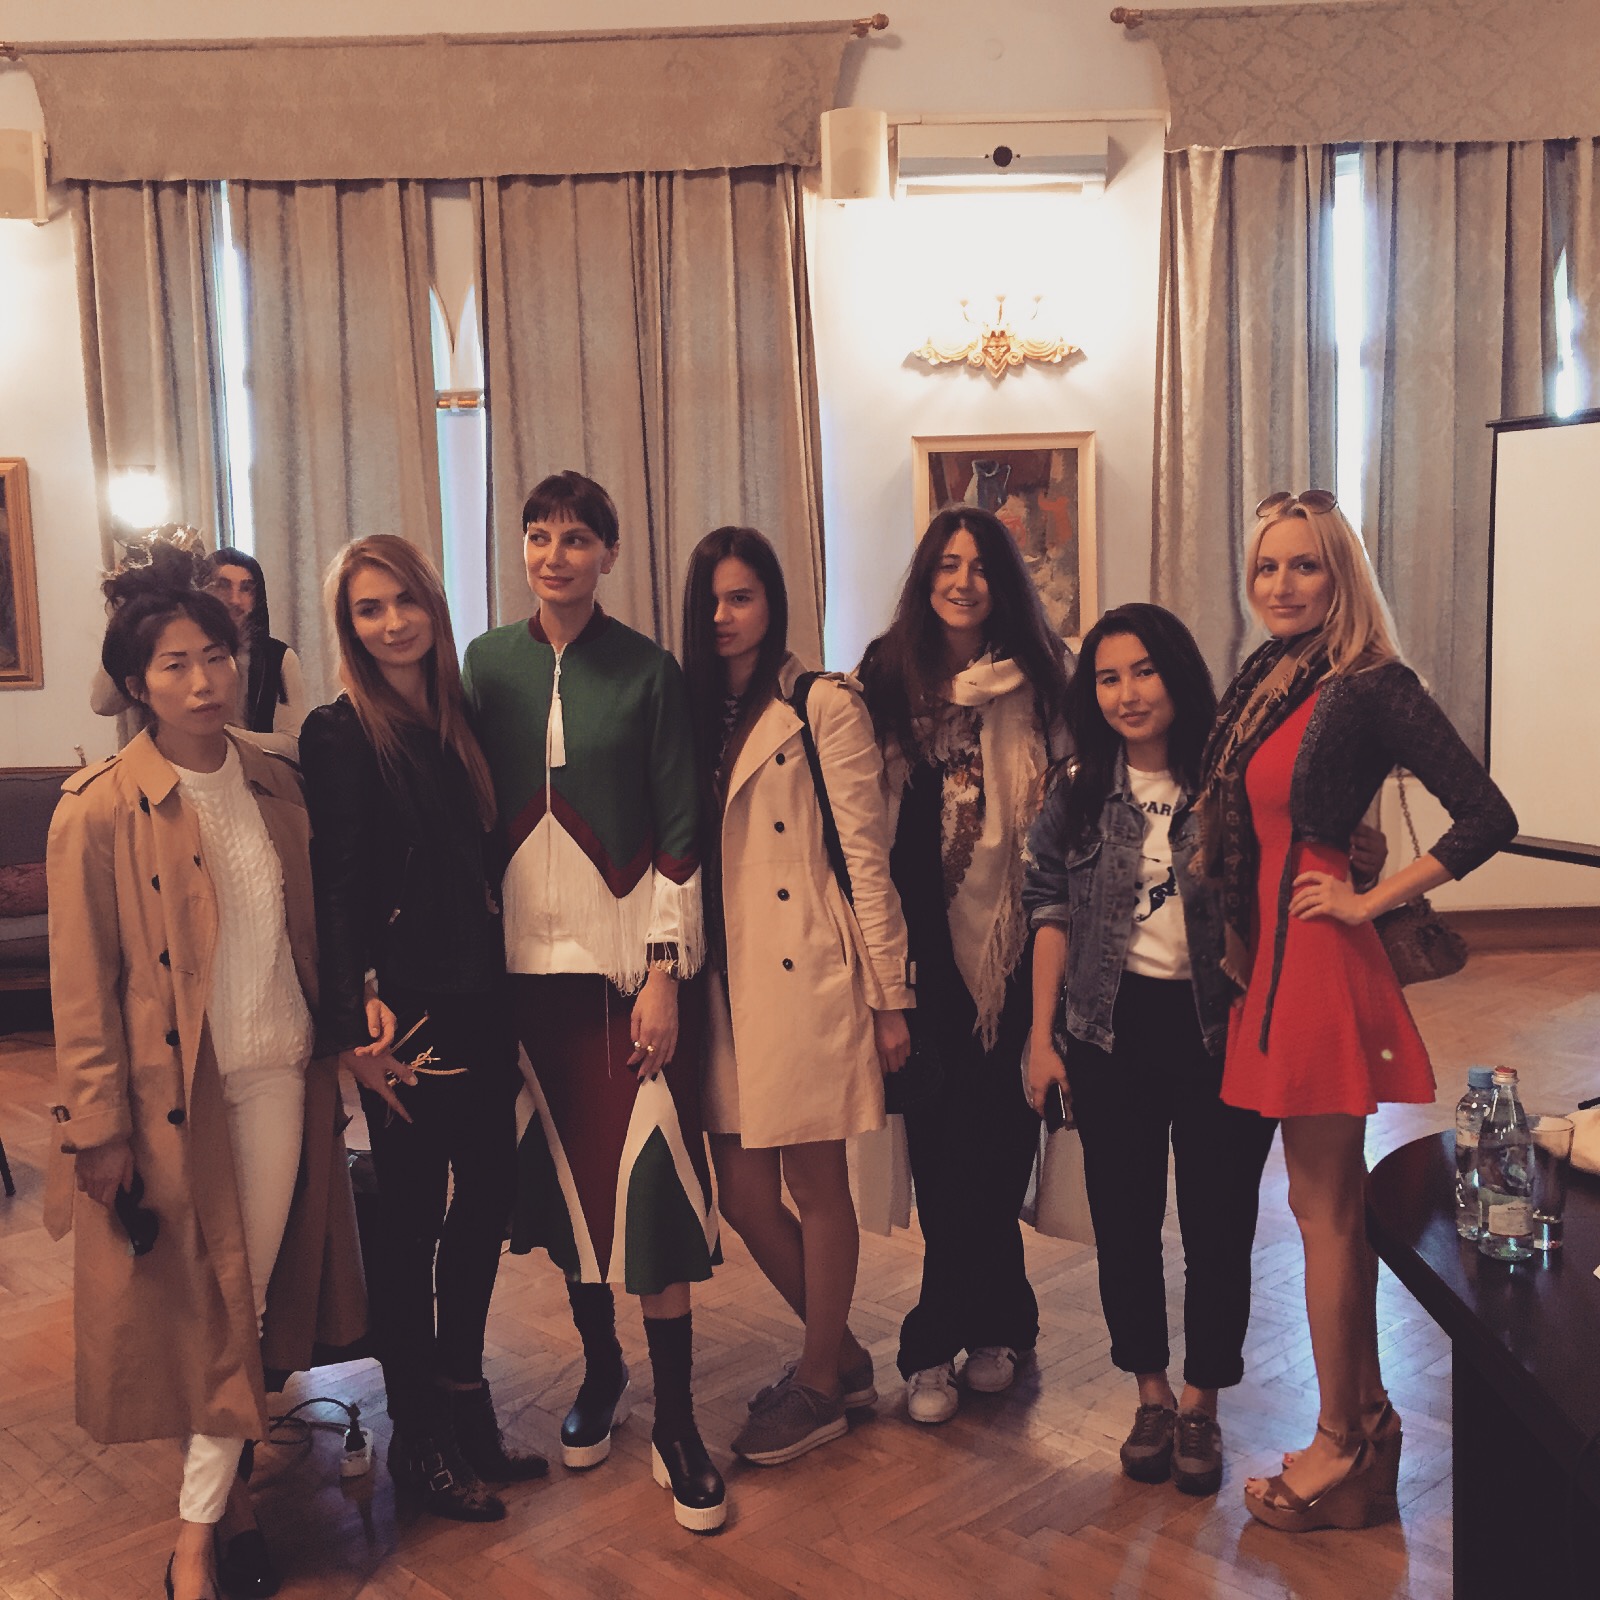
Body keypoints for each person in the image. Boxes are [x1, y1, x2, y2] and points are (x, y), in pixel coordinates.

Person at [45, 542, 364, 1600]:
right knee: (203, 1314)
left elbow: (309, 935)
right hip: (170, 1103)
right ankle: (211, 1522)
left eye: (217, 656)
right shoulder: (98, 807)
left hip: (275, 1077)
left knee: (243, 1302)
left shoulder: (276, 783)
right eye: (175, 664)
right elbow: (82, 984)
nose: (203, 681)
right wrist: (97, 1127)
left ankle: (200, 1529)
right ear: (138, 684)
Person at [1197, 490, 1516, 1532]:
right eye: (1267, 566)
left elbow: (1486, 813)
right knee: (1316, 1207)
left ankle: (1343, 1441)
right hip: (1271, 964)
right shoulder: (1271, 678)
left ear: (1342, 575)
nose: (1282, 584)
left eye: (1306, 565)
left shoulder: (1371, 682)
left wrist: (1368, 900)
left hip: (1318, 961)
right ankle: (1363, 1429)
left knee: (1325, 1210)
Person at [461, 470, 725, 1532]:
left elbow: (680, 825)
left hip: (626, 978)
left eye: (576, 538)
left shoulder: (649, 669)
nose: (554, 554)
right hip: (521, 982)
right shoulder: (485, 664)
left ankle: (678, 1422)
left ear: (608, 554)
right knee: (568, 1193)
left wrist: (664, 971)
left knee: (650, 1189)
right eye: (538, 535)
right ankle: (602, 1368)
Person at [299, 535, 542, 1524]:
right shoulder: (339, 732)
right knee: (409, 1226)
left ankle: (464, 1398)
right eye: (369, 608)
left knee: (485, 1204)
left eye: (405, 600)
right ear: (347, 625)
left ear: (432, 606)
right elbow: (336, 883)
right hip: (401, 1013)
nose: (392, 622)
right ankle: (420, 1440)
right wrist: (351, 1015)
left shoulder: (458, 719)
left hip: (480, 997)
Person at [1022, 603, 1278, 1497]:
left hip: (1219, 1031)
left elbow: (1287, 868)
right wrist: (1040, 1037)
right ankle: (1153, 1395)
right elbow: (1048, 910)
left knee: (1219, 1224)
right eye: (1107, 677)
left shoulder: (1230, 779)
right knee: (1125, 1224)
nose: (1127, 693)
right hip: (1109, 1031)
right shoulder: (1078, 787)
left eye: (1143, 671)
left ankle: (1203, 1402)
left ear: (1177, 674)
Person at [678, 526, 913, 1465]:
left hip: (804, 969)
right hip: (720, 981)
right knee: (742, 1193)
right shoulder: (693, 712)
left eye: (742, 597)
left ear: (773, 604)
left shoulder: (822, 704)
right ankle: (842, 1356)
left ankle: (819, 1383)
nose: (725, 616)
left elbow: (865, 859)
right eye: (711, 600)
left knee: (816, 1185)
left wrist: (889, 997)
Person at [858, 504, 1072, 1425]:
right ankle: (982, 1328)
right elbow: (860, 824)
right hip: (922, 959)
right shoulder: (886, 677)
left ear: (1005, 582)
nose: (963, 581)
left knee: (1002, 1146)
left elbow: (1077, 810)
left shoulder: (1047, 679)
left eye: (981, 566)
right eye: (947, 564)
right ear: (926, 577)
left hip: (1020, 953)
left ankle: (953, 1337)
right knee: (945, 1157)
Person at [89, 543, 306, 736]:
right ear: (201, 588)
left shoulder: (276, 658)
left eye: (246, 588)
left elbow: (294, 742)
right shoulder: (161, 646)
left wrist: (218, 737)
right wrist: (128, 612)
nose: (234, 599)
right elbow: (102, 704)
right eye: (223, 585)